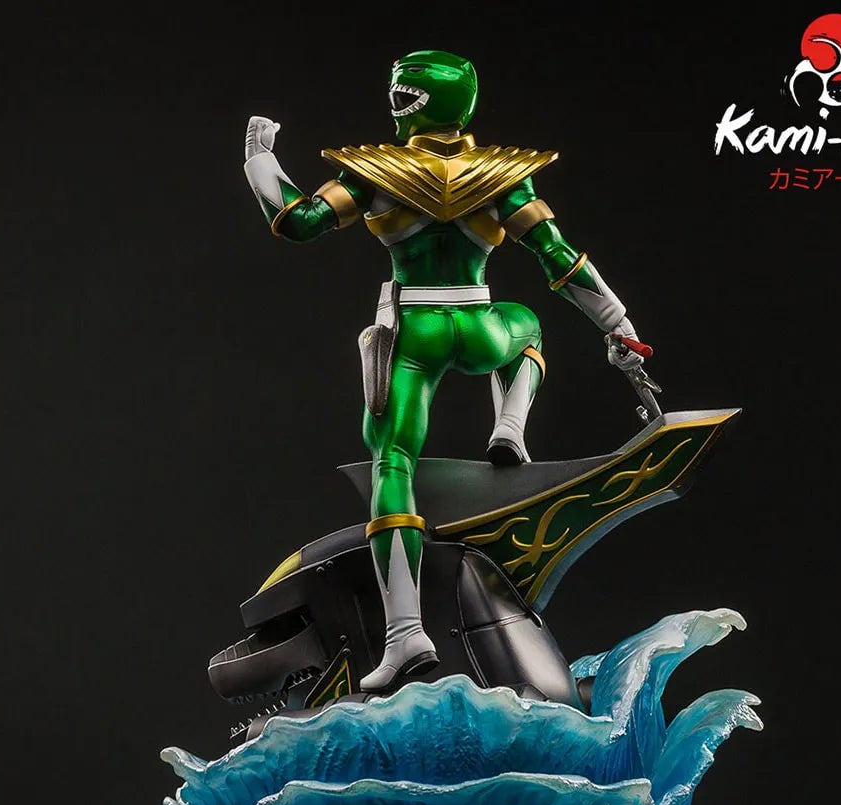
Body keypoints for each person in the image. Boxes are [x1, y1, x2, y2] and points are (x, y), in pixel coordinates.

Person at [243, 50, 652, 693]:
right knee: (528, 327)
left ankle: (405, 632)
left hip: (415, 332)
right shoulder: (501, 177)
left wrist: (260, 161)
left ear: (414, 102)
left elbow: (297, 222)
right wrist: (619, 324)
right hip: (480, 324)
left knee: (393, 465)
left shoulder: (376, 173)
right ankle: (509, 427)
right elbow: (559, 258)